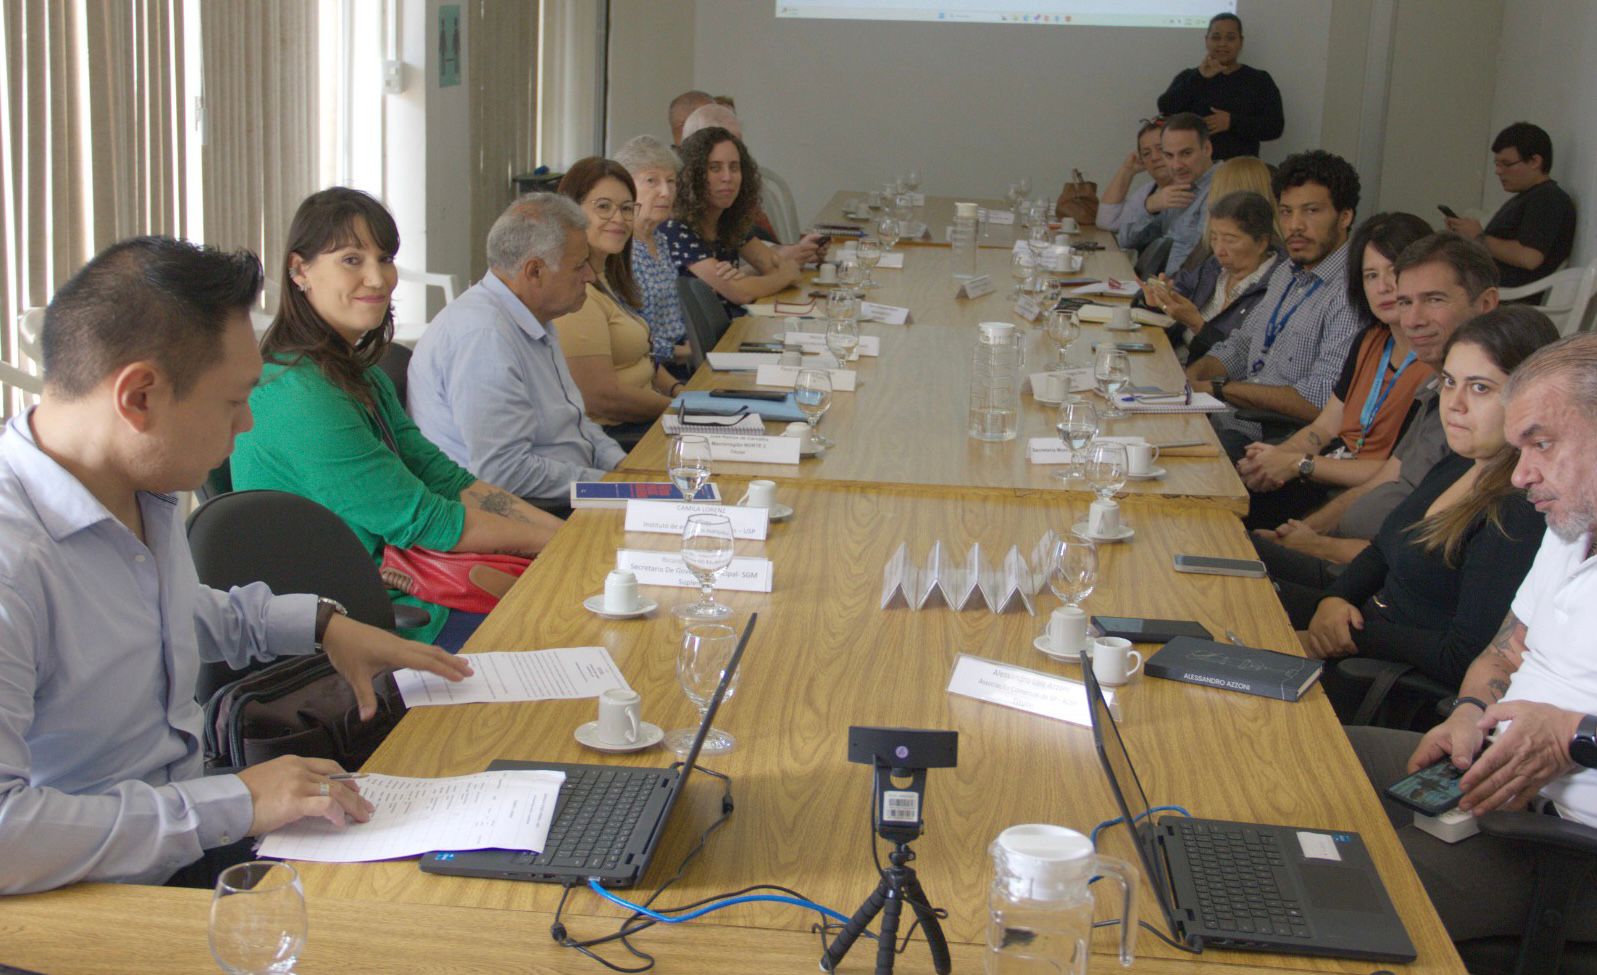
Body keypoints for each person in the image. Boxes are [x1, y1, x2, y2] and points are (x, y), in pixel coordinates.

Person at [0, 235, 471, 895]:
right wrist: (235, 802)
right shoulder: (13, 558)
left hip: (184, 845)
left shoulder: (140, 484)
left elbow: (175, 615)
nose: (247, 423)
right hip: (83, 902)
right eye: (232, 400)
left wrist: (321, 625)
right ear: (138, 397)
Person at [1345, 332, 1597, 946]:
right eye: (1518, 449)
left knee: (1343, 891)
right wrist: (1469, 711)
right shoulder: (1569, 526)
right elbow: (1507, 649)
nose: (1522, 474)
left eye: (1541, 443)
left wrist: (1576, 735)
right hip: (1484, 780)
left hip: (1569, 847)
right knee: (1299, 759)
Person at [231, 188, 562, 647]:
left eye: (384, 258)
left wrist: (560, 535)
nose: (378, 278)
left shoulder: (355, 372)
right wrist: (558, 545)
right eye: (351, 259)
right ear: (299, 270)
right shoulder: (297, 394)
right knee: (567, 626)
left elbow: (442, 477)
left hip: (401, 581)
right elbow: (424, 519)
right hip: (358, 615)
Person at [1293, 309, 1556, 712]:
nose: (1455, 404)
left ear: (1530, 398)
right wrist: (1334, 600)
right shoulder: (1463, 458)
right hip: (1357, 629)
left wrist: (1348, 633)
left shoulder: (1517, 511)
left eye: (1480, 388)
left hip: (1383, 680)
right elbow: (1383, 547)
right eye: (1449, 383)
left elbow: (1462, 654)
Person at [1253, 234, 1501, 585]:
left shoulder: (1487, 415)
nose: (1412, 320)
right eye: (1405, 302)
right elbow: (1385, 480)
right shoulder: (1434, 388)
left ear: (1486, 304)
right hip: (1340, 553)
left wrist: (1319, 547)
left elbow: (1420, 555)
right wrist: (1303, 533)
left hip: (1366, 581)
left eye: (1433, 300)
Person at [409, 193, 626, 515]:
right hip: (531, 512)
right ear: (534, 271)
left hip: (572, 492)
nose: (590, 277)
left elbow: (575, 423)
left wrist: (624, 468)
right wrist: (608, 488)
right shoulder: (485, 338)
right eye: (579, 266)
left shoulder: (531, 313)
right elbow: (504, 473)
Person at [1234, 212, 1434, 530]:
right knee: (1227, 484)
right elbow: (1326, 426)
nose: (1383, 287)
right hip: (1325, 469)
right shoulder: (1370, 340)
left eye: (1394, 273)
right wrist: (1274, 458)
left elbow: (1388, 472)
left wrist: (1296, 463)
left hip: (1361, 494)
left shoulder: (1434, 363)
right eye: (1370, 275)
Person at [1185, 150, 1365, 455]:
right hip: (1233, 420)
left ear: (1345, 216)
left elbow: (1321, 399)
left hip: (1278, 445)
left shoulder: (1351, 292)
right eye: (1286, 212)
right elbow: (1241, 345)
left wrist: (1219, 389)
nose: (1294, 225)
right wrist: (1192, 377)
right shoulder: (1286, 272)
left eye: (1310, 211)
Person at [551, 157, 685, 448]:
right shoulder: (576, 295)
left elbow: (642, 357)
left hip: (648, 421)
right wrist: (680, 411)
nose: (619, 218)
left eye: (626, 208)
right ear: (571, 213)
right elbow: (602, 399)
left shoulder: (608, 277)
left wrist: (678, 391)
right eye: (603, 206)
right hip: (616, 438)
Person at [661, 126, 801, 321]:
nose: (727, 177)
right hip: (700, 345)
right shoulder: (675, 228)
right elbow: (740, 292)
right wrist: (783, 278)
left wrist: (749, 279)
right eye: (714, 168)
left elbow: (775, 265)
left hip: (733, 329)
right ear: (691, 175)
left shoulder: (728, 219)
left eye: (734, 167)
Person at [1140, 190, 1283, 362]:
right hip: (1170, 358)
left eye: (1230, 240)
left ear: (1261, 243)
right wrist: (1161, 301)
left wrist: (1197, 325)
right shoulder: (1213, 267)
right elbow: (1180, 291)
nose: (1219, 250)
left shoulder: (1278, 287)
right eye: (1214, 238)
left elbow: (1245, 362)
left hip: (1206, 379)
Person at [678, 104, 825, 267]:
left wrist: (796, 253)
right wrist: (781, 262)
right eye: (715, 167)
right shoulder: (678, 224)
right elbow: (731, 286)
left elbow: (765, 256)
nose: (727, 176)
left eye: (738, 142)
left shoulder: (731, 212)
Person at [1444, 122, 1577, 293]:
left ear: (1535, 161)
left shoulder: (1548, 198)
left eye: (1506, 164)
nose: (1498, 171)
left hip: (1505, 296)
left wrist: (1479, 236)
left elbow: (1530, 257)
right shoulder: (1528, 196)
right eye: (1497, 164)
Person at [615, 135, 694, 379]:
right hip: (651, 371)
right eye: (652, 181)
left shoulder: (659, 238)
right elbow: (629, 335)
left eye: (671, 181)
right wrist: (685, 352)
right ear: (625, 187)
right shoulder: (620, 248)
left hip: (682, 361)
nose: (665, 192)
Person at [1156, 12, 1284, 161]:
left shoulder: (1259, 79)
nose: (1222, 43)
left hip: (1241, 170)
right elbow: (1165, 107)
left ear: (1241, 42)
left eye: (1230, 38)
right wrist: (1200, 77)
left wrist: (1232, 122)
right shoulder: (1190, 77)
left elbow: (1275, 127)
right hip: (1194, 169)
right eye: (1216, 37)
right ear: (1206, 40)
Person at [1118, 113, 1217, 274]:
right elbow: (1126, 241)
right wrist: (1150, 206)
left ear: (1207, 149)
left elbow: (1205, 263)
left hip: (1181, 293)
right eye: (1169, 155)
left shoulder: (1223, 187)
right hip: (1157, 288)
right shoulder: (1177, 187)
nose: (1176, 165)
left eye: (1186, 153)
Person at [1087, 118, 1174, 235]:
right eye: (1146, 153)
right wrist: (1127, 170)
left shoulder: (1194, 188)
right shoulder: (1149, 190)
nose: (1154, 157)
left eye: (1161, 149)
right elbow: (1107, 221)